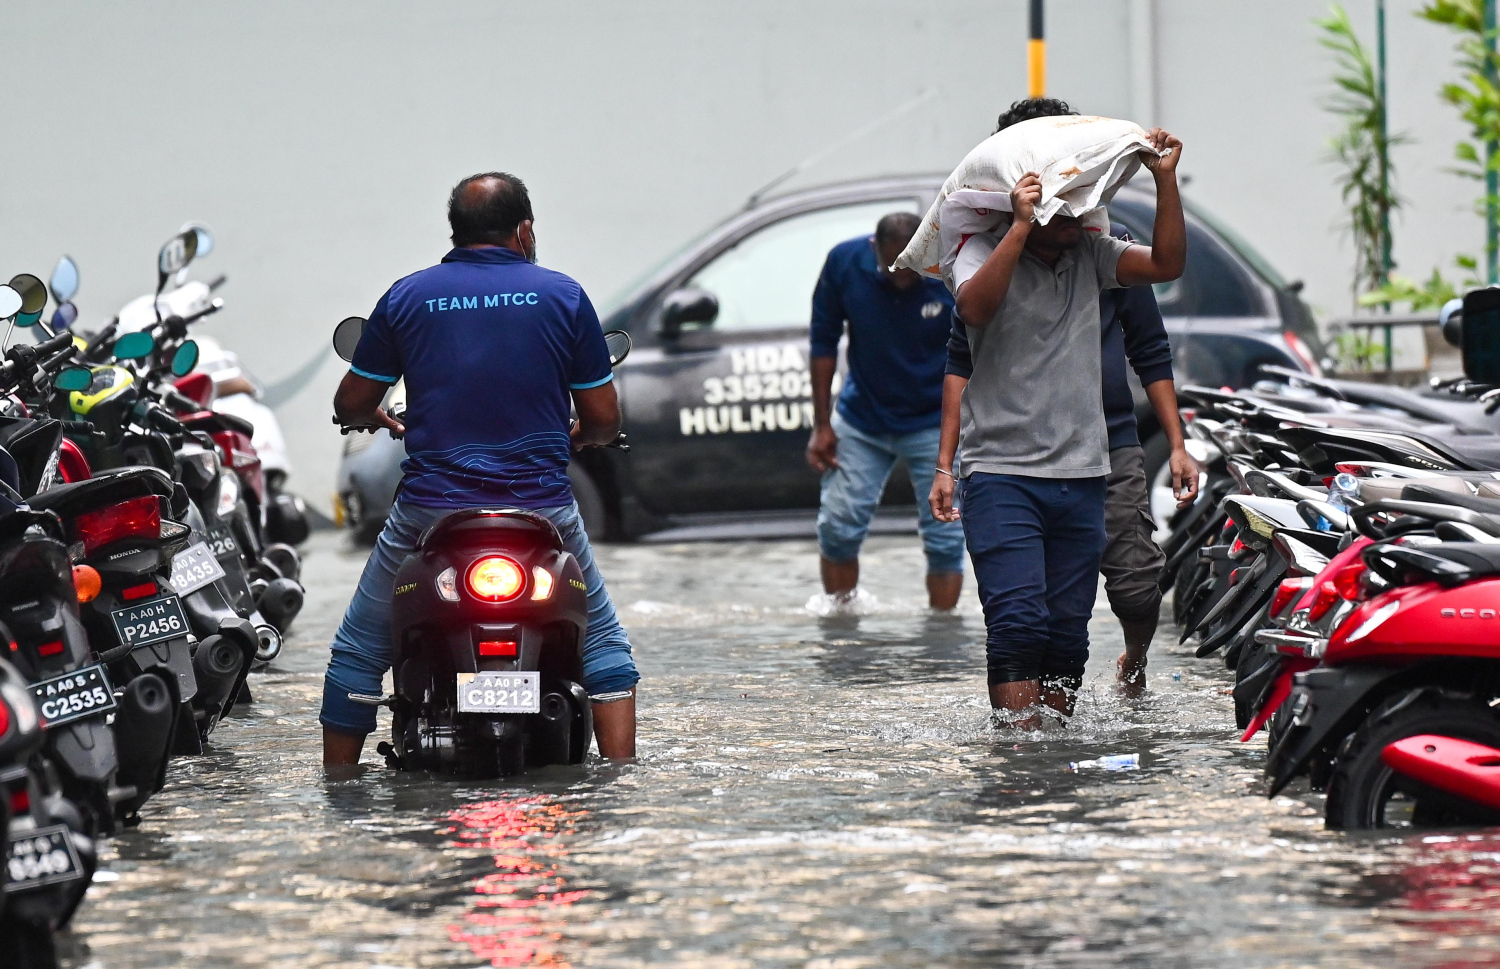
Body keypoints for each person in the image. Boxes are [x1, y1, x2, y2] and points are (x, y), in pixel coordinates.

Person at [320, 172, 639, 766]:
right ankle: (621, 780)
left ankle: (338, 789)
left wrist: (378, 420)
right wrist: (580, 436)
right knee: (602, 645)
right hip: (542, 509)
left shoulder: (408, 297)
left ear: (455, 231)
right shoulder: (564, 296)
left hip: (430, 511)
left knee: (360, 652)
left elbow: (351, 403)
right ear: (525, 230)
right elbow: (602, 418)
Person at [928, 99, 1192, 728]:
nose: (1076, 216)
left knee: (1068, 638)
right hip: (1003, 473)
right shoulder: (975, 251)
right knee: (1018, 624)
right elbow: (975, 313)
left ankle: (1053, 763)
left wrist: (1165, 181)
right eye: (1062, 206)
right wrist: (1020, 228)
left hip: (1085, 473)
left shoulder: (1092, 257)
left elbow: (1166, 265)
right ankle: (1019, 757)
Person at [945, 222, 1197, 694]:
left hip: (1105, 445)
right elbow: (962, 353)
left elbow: (1150, 343)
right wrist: (946, 462)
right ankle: (1023, 730)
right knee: (1021, 616)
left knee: (1133, 587)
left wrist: (1177, 445)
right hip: (1011, 457)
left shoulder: (1102, 250)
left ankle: (1134, 658)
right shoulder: (984, 253)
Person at [807, 212, 966, 609]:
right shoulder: (845, 262)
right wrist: (822, 425)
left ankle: (941, 634)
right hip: (863, 417)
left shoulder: (952, 269)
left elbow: (979, 345)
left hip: (935, 421)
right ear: (873, 248)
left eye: (911, 269)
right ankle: (841, 623)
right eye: (893, 268)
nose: (902, 279)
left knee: (946, 540)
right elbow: (823, 342)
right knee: (838, 528)